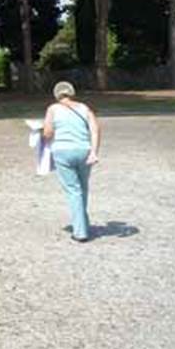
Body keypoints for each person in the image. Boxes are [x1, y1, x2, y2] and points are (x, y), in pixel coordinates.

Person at [42, 81, 101, 242]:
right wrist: (94, 152)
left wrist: (42, 131)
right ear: (72, 93)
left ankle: (80, 232)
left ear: (56, 95)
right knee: (82, 188)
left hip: (63, 151)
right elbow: (95, 129)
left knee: (73, 190)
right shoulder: (84, 108)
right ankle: (83, 223)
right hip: (84, 150)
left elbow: (48, 133)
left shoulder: (53, 109)